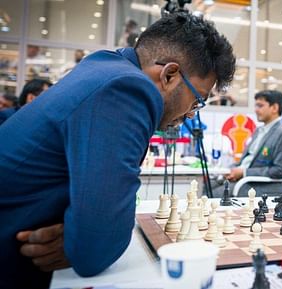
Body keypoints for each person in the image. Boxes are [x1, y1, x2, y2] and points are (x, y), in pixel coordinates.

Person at [0, 11, 235, 289]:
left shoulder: (105, 65)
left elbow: (95, 231)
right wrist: (86, 237)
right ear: (170, 75)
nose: (190, 115)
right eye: (197, 100)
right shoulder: (127, 89)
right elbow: (96, 247)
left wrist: (83, 235)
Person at [216, 90, 282, 197]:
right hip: (242, 180)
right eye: (256, 106)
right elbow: (247, 160)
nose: (256, 110)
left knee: (207, 193)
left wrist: (244, 172)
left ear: (274, 108)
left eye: (260, 106)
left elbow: (281, 170)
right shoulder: (259, 131)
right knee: (204, 185)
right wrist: (230, 170)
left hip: (259, 185)